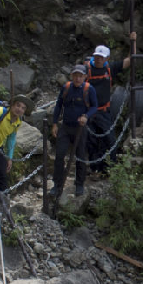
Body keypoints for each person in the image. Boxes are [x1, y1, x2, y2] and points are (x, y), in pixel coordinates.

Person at [50, 66, 99, 198]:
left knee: (80, 155)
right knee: (59, 155)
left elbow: (95, 106)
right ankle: (57, 184)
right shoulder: (66, 88)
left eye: (80, 76)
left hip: (80, 128)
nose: (77, 78)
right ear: (72, 76)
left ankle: (79, 183)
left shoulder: (89, 90)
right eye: (75, 75)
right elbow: (59, 105)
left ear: (84, 77)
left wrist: (86, 116)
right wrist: (54, 123)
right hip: (65, 127)